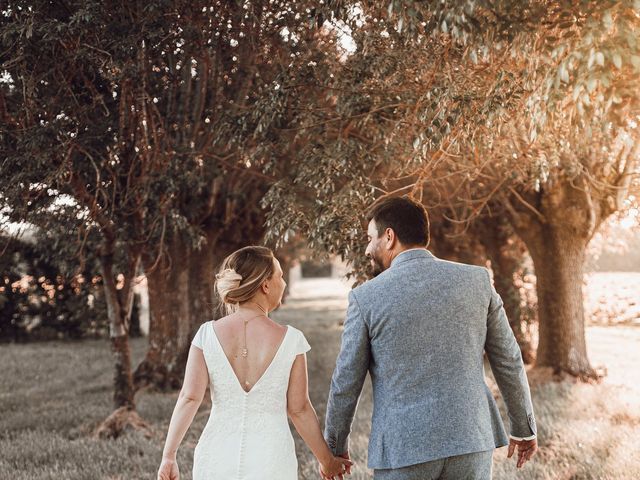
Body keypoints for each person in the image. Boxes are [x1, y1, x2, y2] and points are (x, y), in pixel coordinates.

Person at [323, 196, 538, 480]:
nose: (367, 248)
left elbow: (346, 382)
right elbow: (508, 359)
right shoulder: (476, 281)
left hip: (404, 448)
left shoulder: (366, 298)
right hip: (470, 440)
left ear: (389, 237)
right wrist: (523, 427)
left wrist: (334, 448)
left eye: (369, 238)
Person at [157, 246, 351, 480]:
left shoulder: (206, 335)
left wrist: (169, 456)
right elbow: (299, 409)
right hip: (271, 459)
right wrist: (327, 461)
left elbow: (189, 397)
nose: (285, 282)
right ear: (265, 285)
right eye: (280, 276)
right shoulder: (291, 340)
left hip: (217, 456)